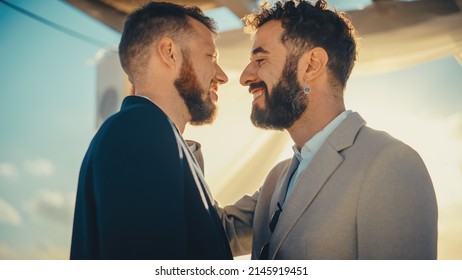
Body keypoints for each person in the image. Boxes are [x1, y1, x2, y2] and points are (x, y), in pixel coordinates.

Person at [218, 0, 438, 259]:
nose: (245, 76)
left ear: (312, 65)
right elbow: (212, 232)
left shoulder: (390, 163)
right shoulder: (276, 180)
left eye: (261, 59)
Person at [70, 1, 232, 260]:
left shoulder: (148, 133)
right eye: (211, 57)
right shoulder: (137, 131)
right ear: (169, 52)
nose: (222, 76)